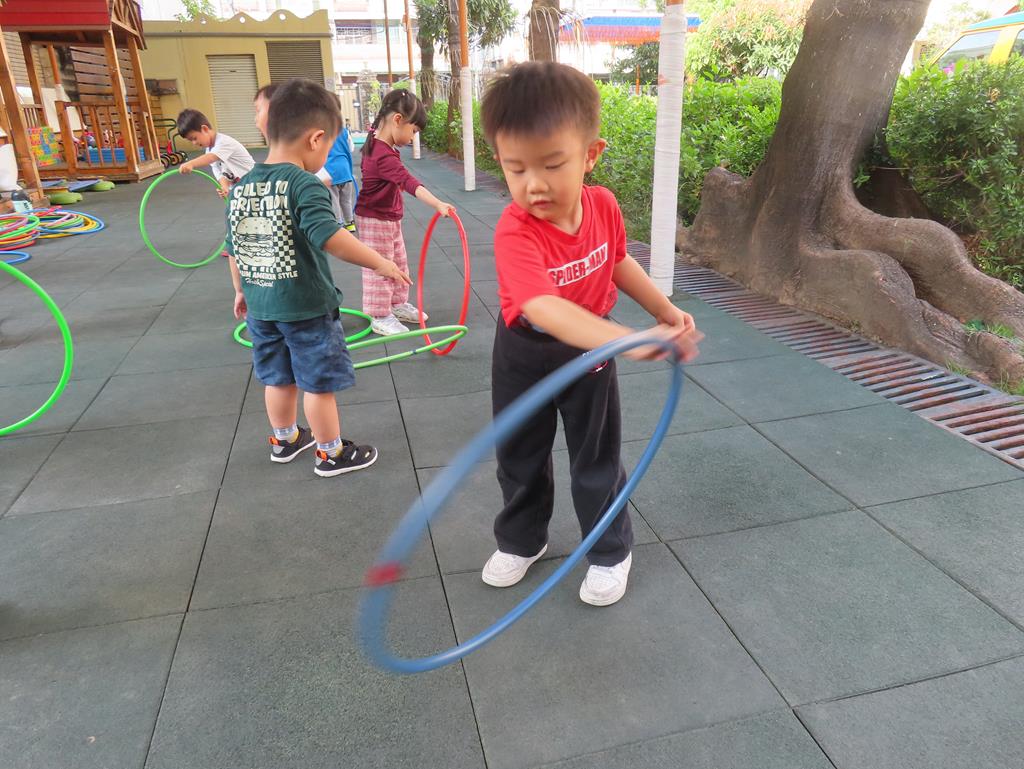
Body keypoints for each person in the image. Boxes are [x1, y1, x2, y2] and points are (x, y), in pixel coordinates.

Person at [478, 62, 702, 606]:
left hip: (591, 357)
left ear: (590, 155)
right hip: (524, 353)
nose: (533, 184)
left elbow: (618, 262)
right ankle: (522, 539)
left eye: (552, 164)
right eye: (515, 169)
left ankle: (609, 551)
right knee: (519, 454)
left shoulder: (603, 207)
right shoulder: (515, 230)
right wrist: (625, 337)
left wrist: (663, 310)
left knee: (596, 456)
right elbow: (544, 307)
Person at [225, 78, 411, 477]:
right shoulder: (303, 184)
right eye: (328, 147)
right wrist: (380, 262)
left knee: (277, 378)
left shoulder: (240, 189)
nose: (326, 155)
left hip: (260, 306)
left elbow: (234, 248)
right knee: (317, 383)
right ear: (315, 139)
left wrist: (240, 291)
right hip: (305, 307)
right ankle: (330, 452)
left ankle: (285, 439)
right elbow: (330, 236)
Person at [355, 88, 454, 336]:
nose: (412, 138)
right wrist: (437, 204)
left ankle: (397, 303)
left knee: (398, 262)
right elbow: (409, 182)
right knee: (380, 266)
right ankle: (379, 314)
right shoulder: (382, 155)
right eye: (414, 131)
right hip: (374, 219)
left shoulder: (381, 145)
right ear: (398, 120)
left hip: (388, 218)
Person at [176, 108, 255, 198]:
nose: (194, 143)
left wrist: (191, 163)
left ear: (205, 129)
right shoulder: (209, 150)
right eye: (190, 140)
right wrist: (225, 187)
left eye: (194, 138)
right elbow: (219, 172)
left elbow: (211, 157)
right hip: (240, 190)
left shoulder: (224, 142)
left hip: (254, 183)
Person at [316, 123, 357, 232]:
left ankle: (338, 225)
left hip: (329, 171)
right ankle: (350, 223)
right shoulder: (344, 131)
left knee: (334, 200)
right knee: (346, 200)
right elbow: (351, 148)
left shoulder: (321, 133)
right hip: (345, 170)